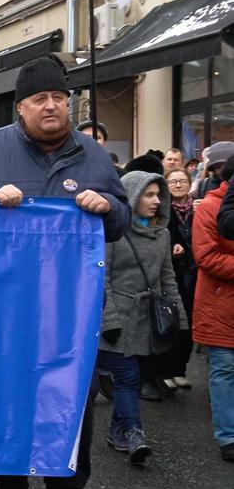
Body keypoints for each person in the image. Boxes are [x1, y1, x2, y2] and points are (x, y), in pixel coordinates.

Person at [0, 55, 130, 489]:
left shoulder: (93, 156)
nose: (51, 106)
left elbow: (121, 221)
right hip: (4, 310)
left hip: (72, 314)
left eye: (58, 98)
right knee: (10, 401)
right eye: (39, 99)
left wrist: (108, 206)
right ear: (21, 107)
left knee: (73, 408)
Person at [99, 170, 183, 468]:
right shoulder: (111, 231)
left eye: (158, 195)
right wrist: (108, 320)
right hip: (119, 318)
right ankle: (134, 432)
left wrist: (180, 321)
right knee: (127, 378)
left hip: (148, 321)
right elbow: (102, 278)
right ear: (132, 196)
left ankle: (116, 431)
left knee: (132, 381)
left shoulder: (162, 233)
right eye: (148, 194)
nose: (156, 200)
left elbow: (167, 277)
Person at [193, 157, 234, 463]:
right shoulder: (210, 207)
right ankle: (228, 436)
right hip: (220, 303)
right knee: (225, 370)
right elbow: (207, 257)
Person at [159, 167, 198, 390]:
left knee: (189, 321)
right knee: (169, 320)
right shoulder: (161, 208)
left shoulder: (196, 207)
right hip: (170, 271)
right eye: (173, 181)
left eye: (182, 181)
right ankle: (165, 370)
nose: (177, 185)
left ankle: (179, 370)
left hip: (193, 270)